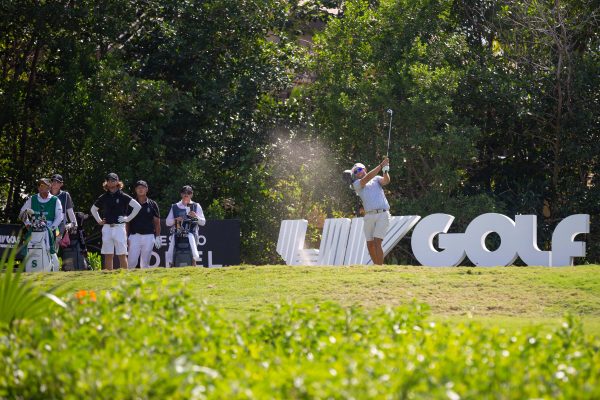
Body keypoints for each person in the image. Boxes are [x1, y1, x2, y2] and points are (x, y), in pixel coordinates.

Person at [90, 173, 141, 270]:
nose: (111, 182)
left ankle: (124, 278)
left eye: (113, 180)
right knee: (108, 255)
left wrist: (127, 219)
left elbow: (137, 206)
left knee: (122, 254)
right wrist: (99, 220)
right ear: (106, 183)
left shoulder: (123, 196)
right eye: (109, 180)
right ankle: (108, 278)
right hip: (107, 228)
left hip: (119, 228)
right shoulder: (104, 197)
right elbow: (93, 209)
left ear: (118, 182)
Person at [351, 157, 391, 265]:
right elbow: (367, 178)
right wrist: (381, 166)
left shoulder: (377, 178)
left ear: (365, 169)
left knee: (377, 242)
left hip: (382, 214)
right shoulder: (357, 184)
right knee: (370, 244)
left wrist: (385, 170)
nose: (358, 172)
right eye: (355, 172)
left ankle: (379, 267)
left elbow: (386, 181)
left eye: (360, 169)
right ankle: (376, 267)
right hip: (369, 216)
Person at [19, 178, 64, 269]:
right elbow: (22, 213)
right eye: (39, 185)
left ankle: (53, 269)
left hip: (50, 229)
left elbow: (60, 216)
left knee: (50, 249)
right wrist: (27, 224)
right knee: (31, 248)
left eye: (43, 185)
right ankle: (31, 268)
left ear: (49, 187)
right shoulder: (33, 198)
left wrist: (51, 228)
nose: (40, 187)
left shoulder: (55, 200)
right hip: (34, 229)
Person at [165, 185, 206, 267]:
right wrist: (176, 220)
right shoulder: (175, 206)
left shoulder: (196, 206)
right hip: (178, 233)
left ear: (192, 194)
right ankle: (172, 266)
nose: (186, 194)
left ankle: (193, 266)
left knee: (192, 254)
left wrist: (196, 217)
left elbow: (203, 222)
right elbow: (167, 222)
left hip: (192, 233)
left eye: (189, 192)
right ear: (181, 194)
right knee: (174, 252)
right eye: (184, 192)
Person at [126, 180, 161, 268]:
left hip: (149, 236)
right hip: (134, 236)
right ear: (135, 190)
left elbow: (157, 222)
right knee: (131, 262)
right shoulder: (131, 204)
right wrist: (126, 237)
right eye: (138, 188)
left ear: (147, 189)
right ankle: (129, 281)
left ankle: (144, 281)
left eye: (143, 187)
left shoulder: (153, 204)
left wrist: (158, 236)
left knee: (145, 263)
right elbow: (127, 222)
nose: (141, 189)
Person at [49, 174, 78, 250]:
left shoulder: (65, 195)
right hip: (47, 223)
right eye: (53, 181)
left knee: (54, 247)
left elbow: (70, 211)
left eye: (57, 181)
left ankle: (52, 260)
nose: (54, 183)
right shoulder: (45, 193)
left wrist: (74, 224)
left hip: (60, 226)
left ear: (61, 184)